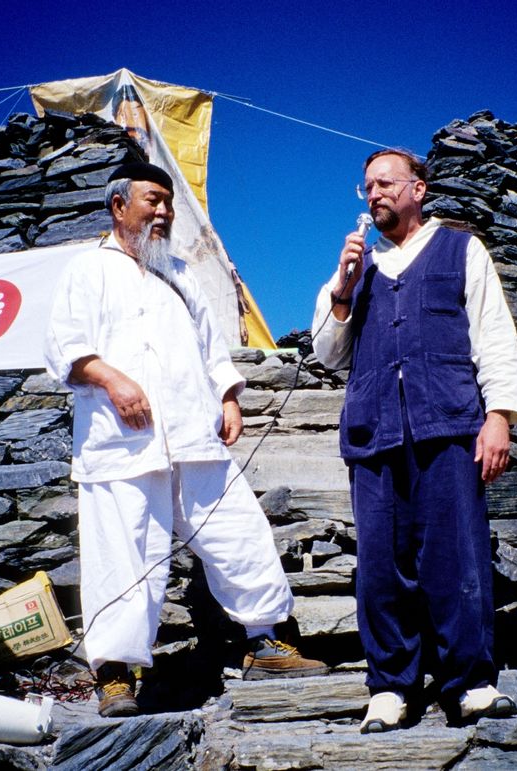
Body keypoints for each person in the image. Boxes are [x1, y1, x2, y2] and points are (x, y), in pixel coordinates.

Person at [45, 161, 327, 718]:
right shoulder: (87, 271)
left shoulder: (179, 273)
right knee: (120, 554)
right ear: (118, 205)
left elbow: (210, 347)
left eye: (169, 203)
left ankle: (265, 640)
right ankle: (117, 676)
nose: (164, 212)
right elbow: (64, 345)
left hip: (193, 435)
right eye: (153, 200)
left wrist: (226, 395)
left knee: (236, 530)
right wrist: (111, 377)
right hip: (121, 442)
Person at [312, 149, 517, 731]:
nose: (375, 193)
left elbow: (494, 334)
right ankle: (390, 687)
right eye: (367, 187)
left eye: (386, 183)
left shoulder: (461, 250)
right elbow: (327, 354)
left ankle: (471, 683)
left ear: (419, 189)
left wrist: (500, 417)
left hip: (450, 426)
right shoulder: (357, 268)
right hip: (375, 433)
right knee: (381, 565)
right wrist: (343, 287)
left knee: (456, 557)